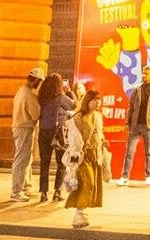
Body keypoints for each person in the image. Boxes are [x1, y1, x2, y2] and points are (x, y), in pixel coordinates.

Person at [63, 88, 107, 229]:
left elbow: (99, 134)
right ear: (88, 101)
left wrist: (103, 142)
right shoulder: (78, 118)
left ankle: (81, 213)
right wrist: (75, 159)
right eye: (95, 100)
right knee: (88, 183)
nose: (97, 103)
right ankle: (79, 213)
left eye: (99, 100)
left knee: (91, 184)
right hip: (83, 156)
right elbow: (73, 139)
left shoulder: (98, 117)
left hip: (95, 154)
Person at [118, 64, 150, 186]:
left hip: (149, 125)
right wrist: (127, 122)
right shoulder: (136, 88)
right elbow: (131, 107)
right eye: (143, 73)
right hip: (135, 125)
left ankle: (149, 176)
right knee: (129, 152)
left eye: (146, 73)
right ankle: (124, 176)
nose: (144, 75)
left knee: (149, 152)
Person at [38, 74, 74, 202]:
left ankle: (43, 192)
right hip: (58, 134)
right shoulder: (61, 98)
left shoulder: (42, 98)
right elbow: (74, 106)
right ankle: (57, 191)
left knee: (44, 163)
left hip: (43, 132)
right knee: (62, 163)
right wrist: (69, 91)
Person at [9, 65, 42, 200]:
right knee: (21, 160)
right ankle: (16, 191)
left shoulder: (21, 91)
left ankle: (25, 187)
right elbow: (36, 114)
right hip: (24, 128)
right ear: (36, 81)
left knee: (26, 159)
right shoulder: (29, 95)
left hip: (20, 127)